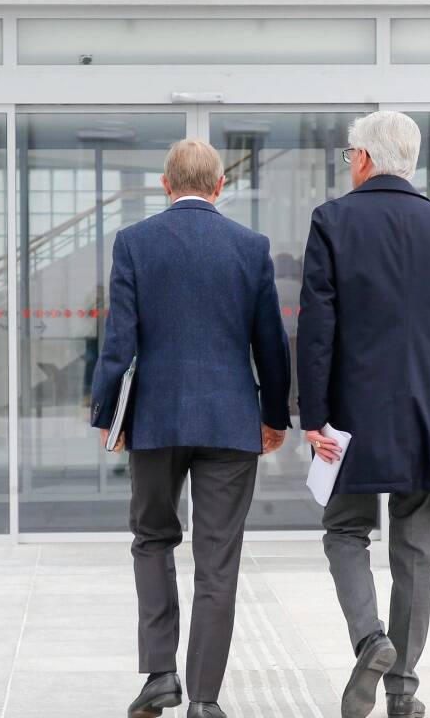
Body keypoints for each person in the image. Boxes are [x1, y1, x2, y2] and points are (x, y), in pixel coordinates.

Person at [297, 111, 430, 718]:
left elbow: (317, 330)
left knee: (345, 531)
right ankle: (402, 690)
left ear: (362, 158)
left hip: (352, 417)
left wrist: (315, 415)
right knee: (416, 550)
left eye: (347, 155)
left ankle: (369, 638)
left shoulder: (332, 221)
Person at [89, 139, 291, 718]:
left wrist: (110, 416)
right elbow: (270, 345)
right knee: (217, 558)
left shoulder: (134, 243)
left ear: (165, 183)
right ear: (220, 185)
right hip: (230, 421)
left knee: (152, 539)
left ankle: (159, 674)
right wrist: (274, 417)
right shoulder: (250, 247)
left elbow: (118, 342)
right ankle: (204, 699)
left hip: (156, 418)